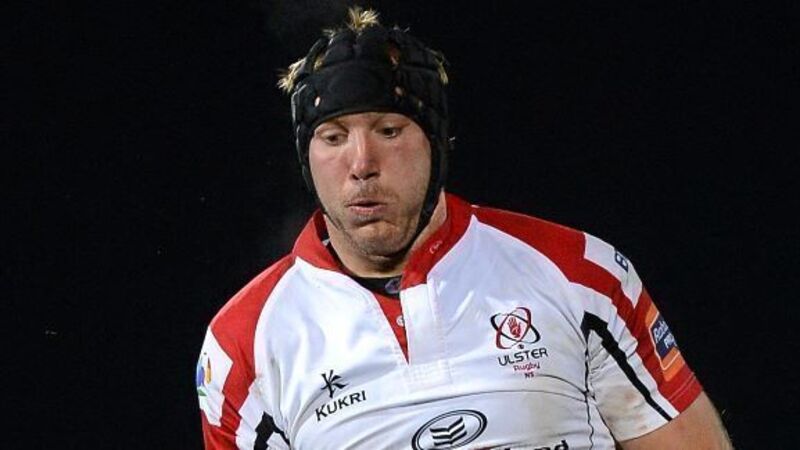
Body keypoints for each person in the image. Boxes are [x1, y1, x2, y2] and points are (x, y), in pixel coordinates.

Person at [196, 7, 732, 449]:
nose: (361, 164)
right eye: (333, 137)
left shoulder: (578, 274)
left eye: (389, 130)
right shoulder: (244, 341)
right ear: (305, 158)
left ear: (436, 144)